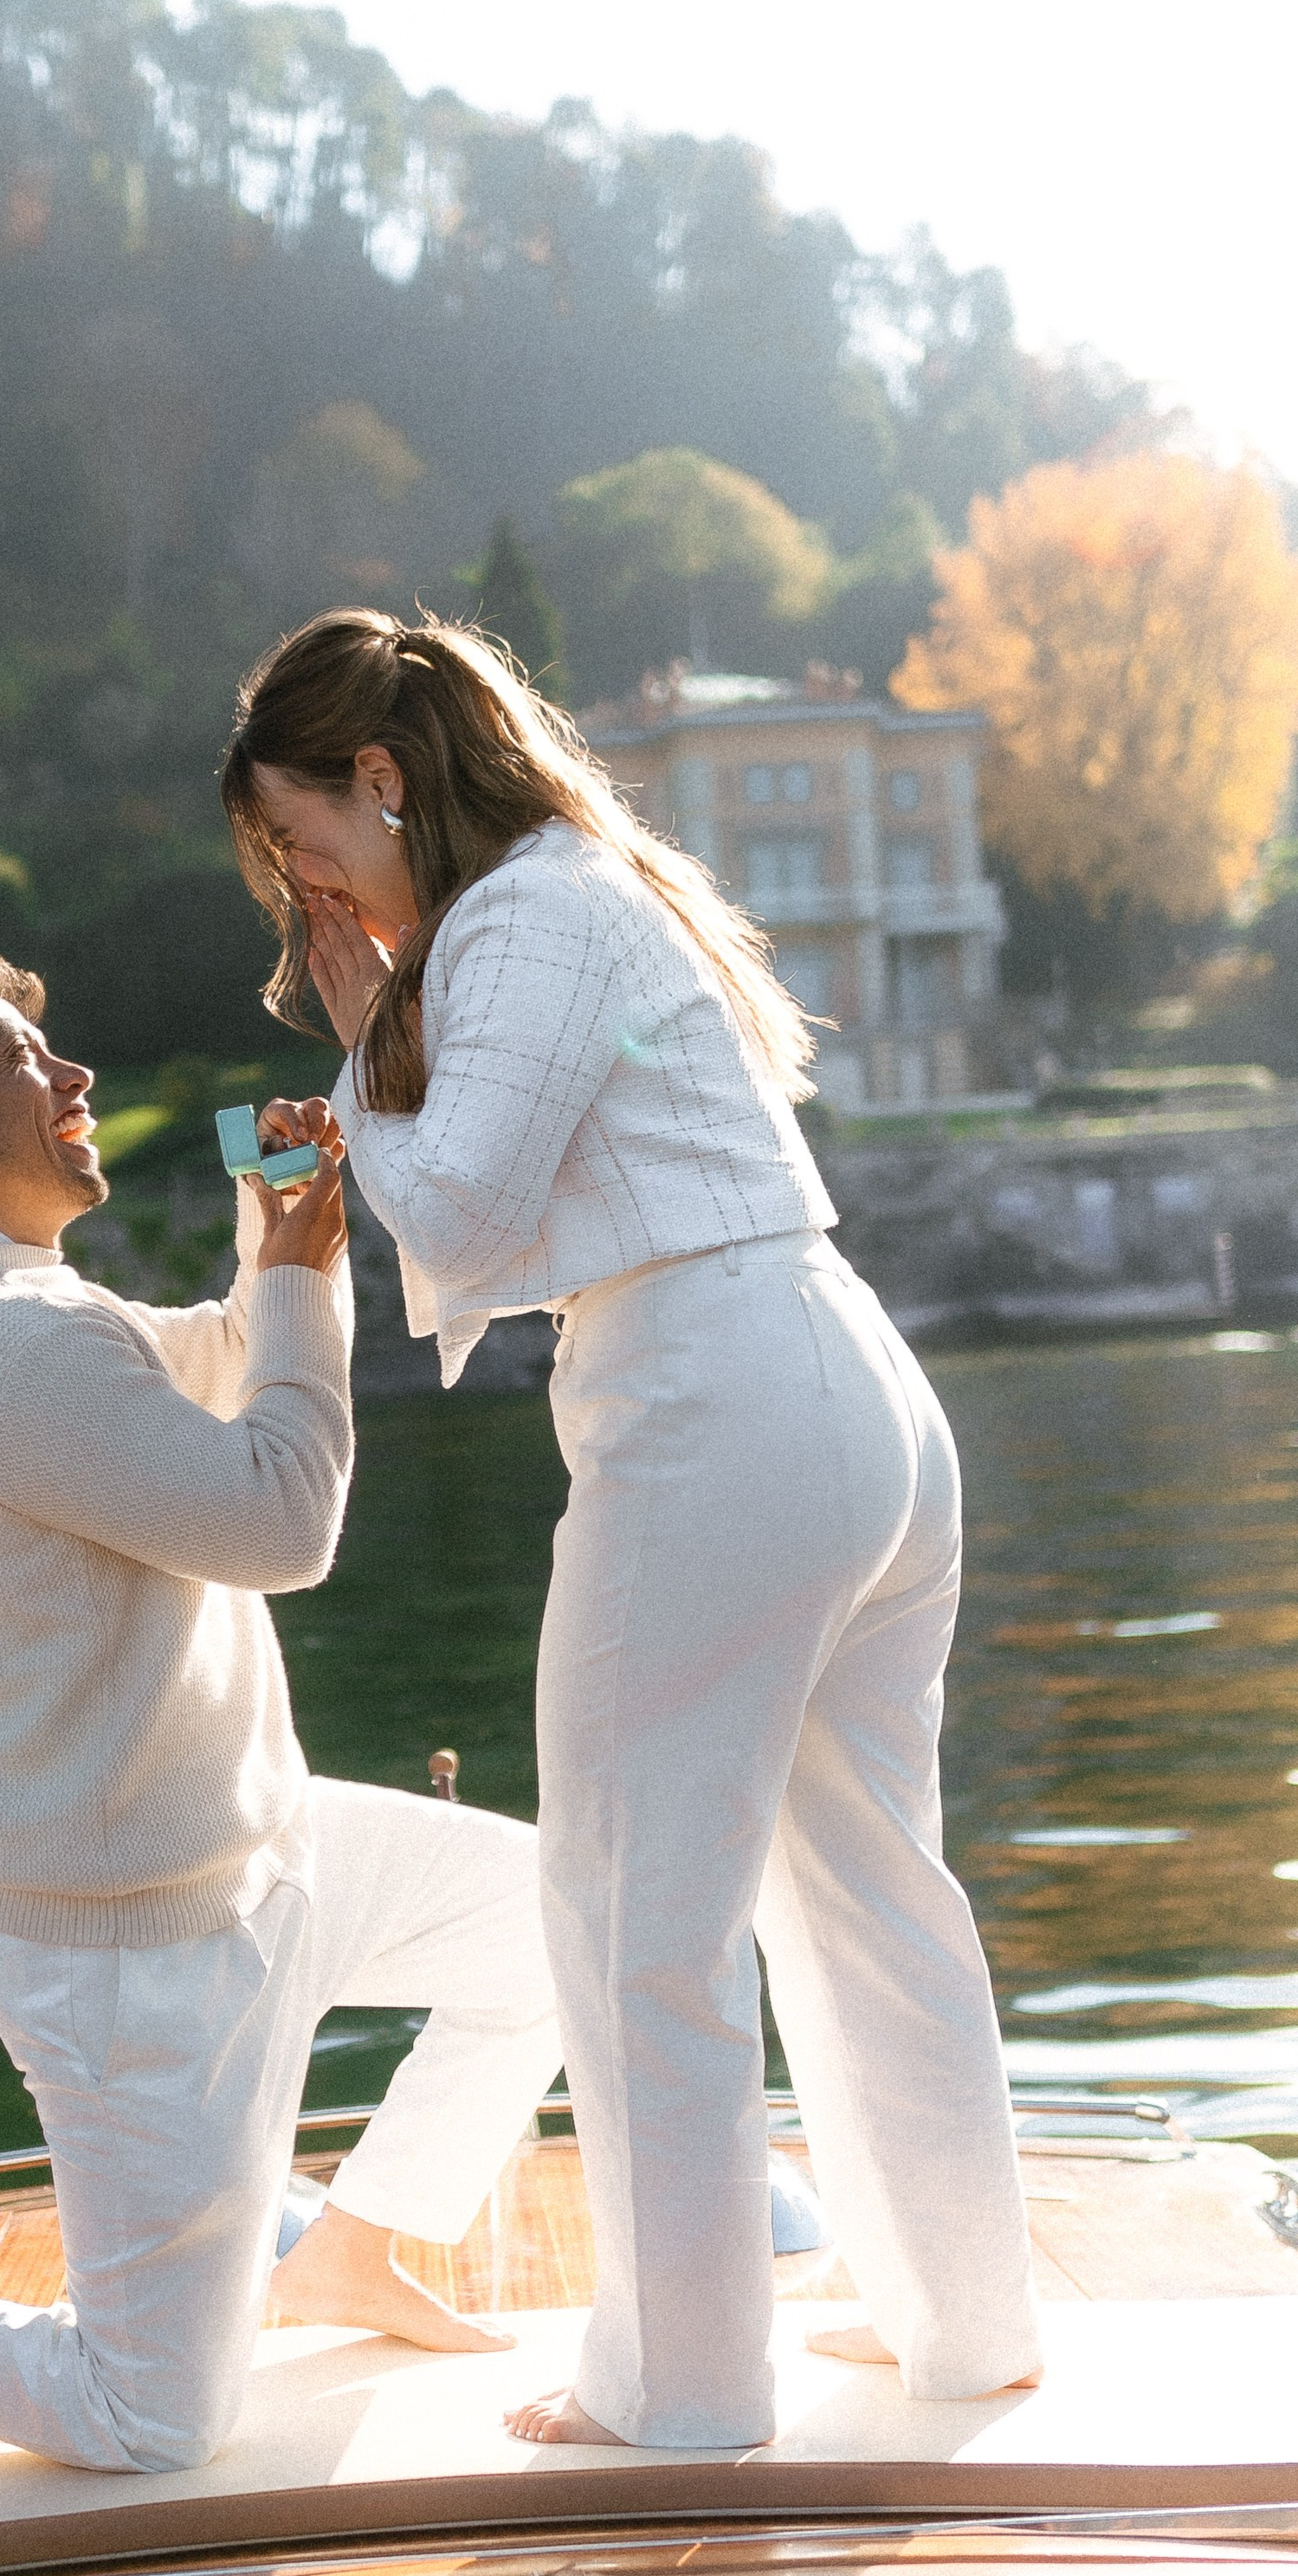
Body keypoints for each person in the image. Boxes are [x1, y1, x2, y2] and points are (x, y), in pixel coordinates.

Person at [220, 611, 1042, 2452]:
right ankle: (965, 2333)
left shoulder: (515, 914)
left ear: (377, 775)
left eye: (302, 833)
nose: (302, 879)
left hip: (705, 1407)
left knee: (618, 1912)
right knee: (866, 1894)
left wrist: (361, 1042)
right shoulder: (591, 891)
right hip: (842, 1386)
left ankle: (681, 2387)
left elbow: (475, 1214)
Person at [0, 941, 561, 2482]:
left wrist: (276, 1227)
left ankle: (354, 2250)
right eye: (21, 1058)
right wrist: (291, 1271)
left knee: (556, 1919)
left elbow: (214, 1369)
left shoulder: (31, 1307)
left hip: (263, 1851)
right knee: (150, 2425)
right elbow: (283, 1524)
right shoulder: (5, 1344)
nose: (71, 1074)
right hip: (136, 1954)